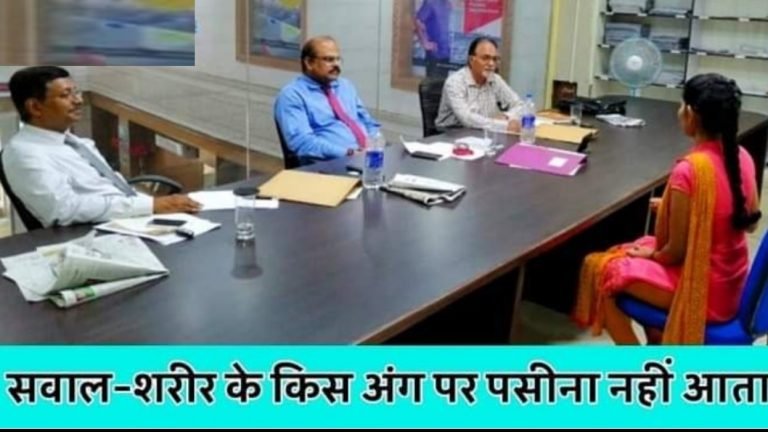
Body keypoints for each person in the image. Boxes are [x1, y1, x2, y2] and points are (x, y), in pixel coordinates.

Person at [572, 73, 762, 345]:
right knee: (635, 247)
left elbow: (675, 252)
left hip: (703, 291)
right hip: (733, 285)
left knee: (604, 271)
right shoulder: (742, 156)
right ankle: (658, 342)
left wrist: (653, 254)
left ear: (692, 114)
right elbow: (748, 222)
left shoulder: (690, 170)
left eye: (682, 104)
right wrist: (675, 209)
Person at [2, 66, 201, 229]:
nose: (78, 101)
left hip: (129, 218)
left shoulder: (75, 142)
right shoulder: (24, 154)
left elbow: (109, 187)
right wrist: (151, 205)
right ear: (35, 107)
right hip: (97, 233)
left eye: (76, 92)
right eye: (65, 95)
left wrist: (153, 205)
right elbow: (63, 210)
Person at [274, 36, 381, 165]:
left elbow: (368, 122)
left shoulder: (345, 86)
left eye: (338, 59)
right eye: (329, 60)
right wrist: (349, 153)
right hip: (328, 165)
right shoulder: (292, 95)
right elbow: (302, 143)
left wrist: (374, 144)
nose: (336, 64)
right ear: (309, 63)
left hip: (366, 159)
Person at [435, 36, 525, 133]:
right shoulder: (455, 82)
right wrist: (503, 125)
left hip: (484, 132)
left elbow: (519, 105)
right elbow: (467, 119)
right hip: (451, 134)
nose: (491, 64)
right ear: (471, 60)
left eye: (494, 59)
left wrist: (506, 116)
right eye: (485, 58)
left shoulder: (495, 80)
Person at [414, 0, 453, 79]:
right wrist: (425, 43)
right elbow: (417, 22)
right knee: (433, 85)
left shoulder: (446, 3)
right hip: (434, 56)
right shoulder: (430, 2)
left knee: (442, 85)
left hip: (446, 55)